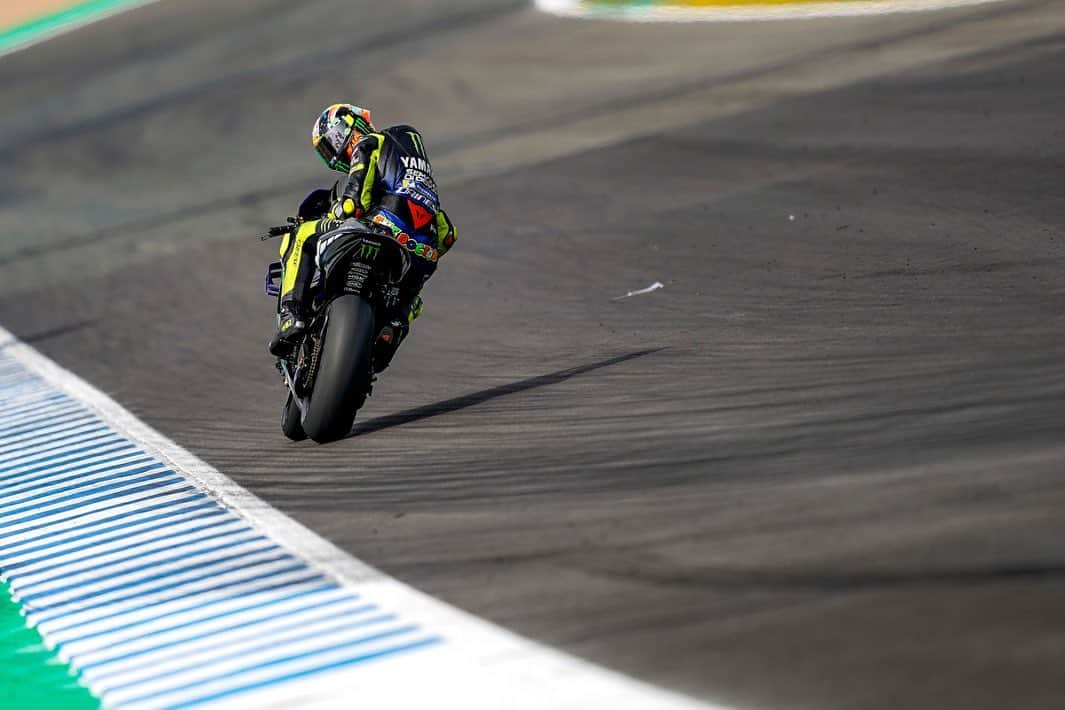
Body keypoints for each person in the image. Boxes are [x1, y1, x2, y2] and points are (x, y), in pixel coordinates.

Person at [269, 104, 457, 371]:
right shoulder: (413, 169)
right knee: (411, 299)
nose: (333, 156)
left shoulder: (369, 142)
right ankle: (394, 326)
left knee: (303, 234)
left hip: (381, 230)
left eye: (330, 144)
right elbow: (448, 235)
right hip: (422, 254)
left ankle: (292, 314)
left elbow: (355, 202)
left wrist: (340, 209)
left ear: (347, 128)